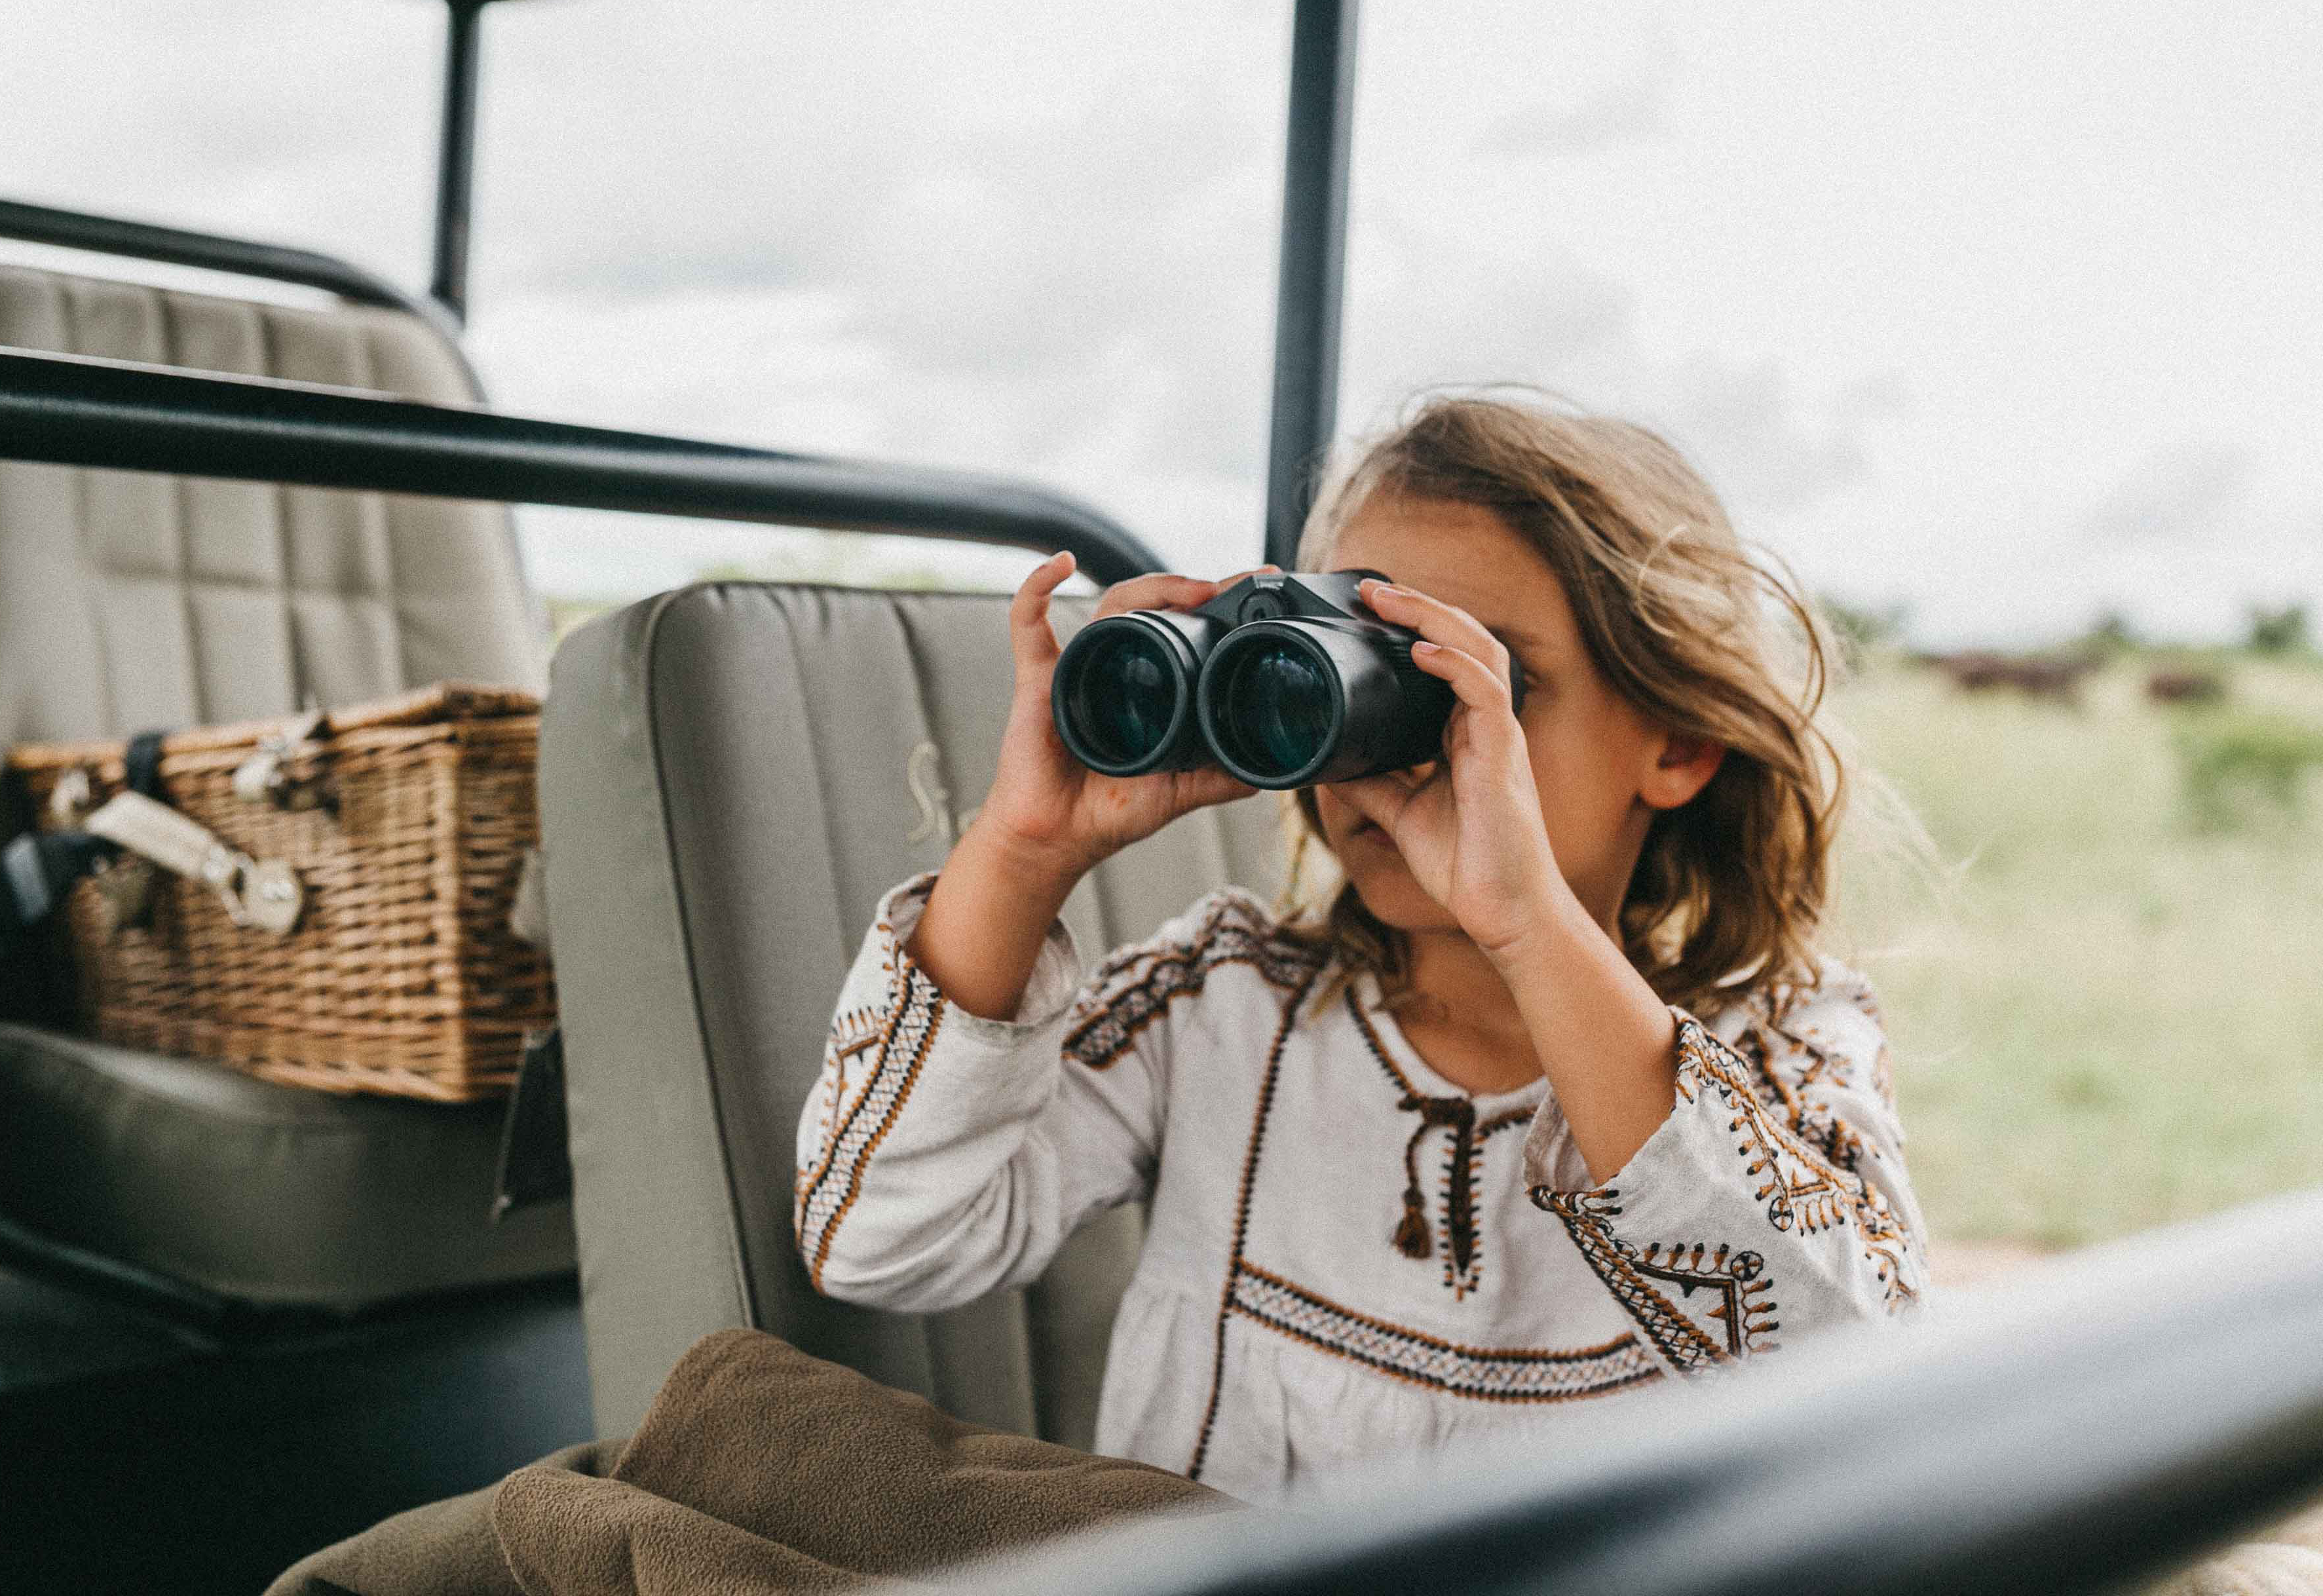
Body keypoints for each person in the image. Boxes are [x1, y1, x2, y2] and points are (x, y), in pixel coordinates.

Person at [791, 395, 1929, 1502]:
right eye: (1355, 663)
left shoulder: (1781, 1046)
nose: (1392, 748)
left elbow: (1852, 1392)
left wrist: (1530, 922)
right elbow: (881, 1243)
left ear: (1676, 745)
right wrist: (1025, 849)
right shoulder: (1228, 1003)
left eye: (1475, 678)